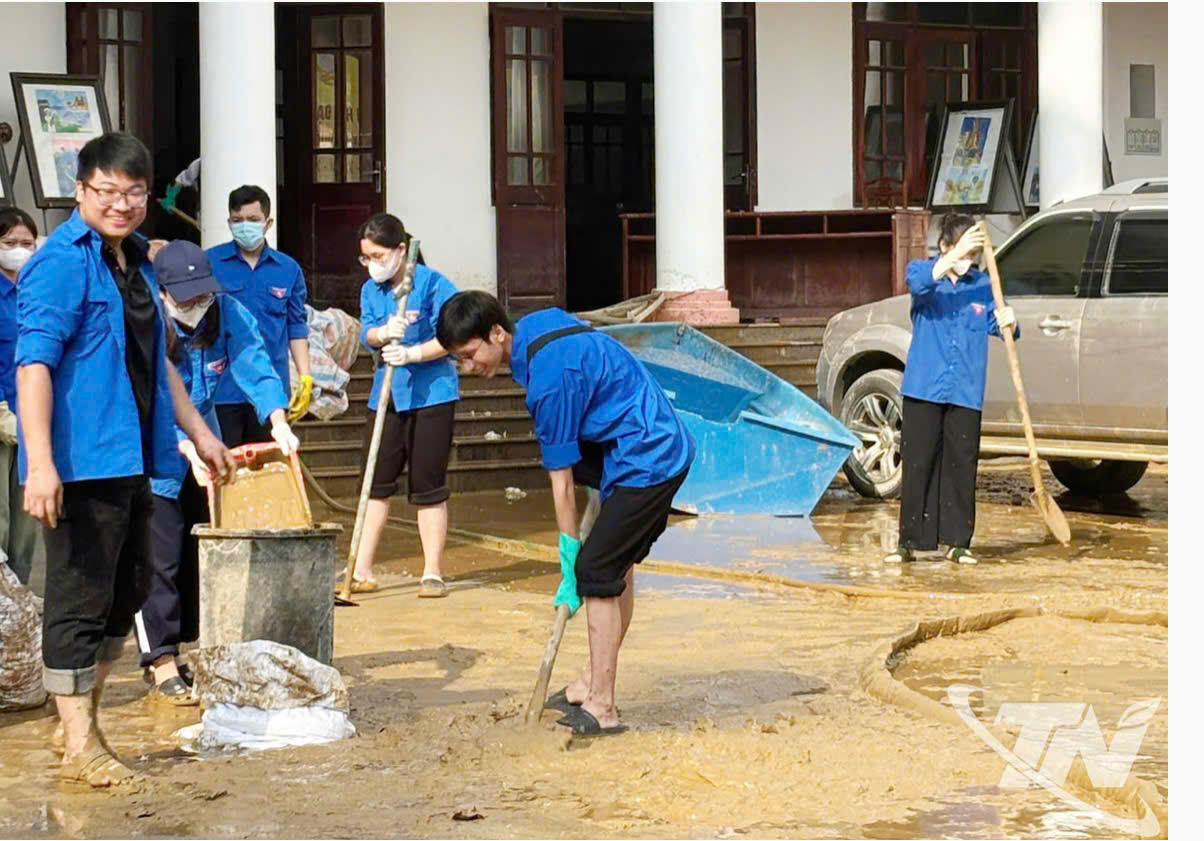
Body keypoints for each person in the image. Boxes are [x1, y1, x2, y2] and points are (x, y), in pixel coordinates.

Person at [16, 132, 234, 786]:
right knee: (79, 600)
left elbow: (161, 363)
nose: (120, 203)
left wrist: (199, 431)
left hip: (138, 455)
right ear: (81, 191)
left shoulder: (137, 260)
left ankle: (75, 722)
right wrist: (42, 462)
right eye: (106, 191)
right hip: (83, 462)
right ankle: (82, 743)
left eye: (133, 192)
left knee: (128, 591)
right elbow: (34, 366)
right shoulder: (60, 263)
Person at [436, 291, 694, 736]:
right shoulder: (535, 327)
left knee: (596, 570)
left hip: (651, 455)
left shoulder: (548, 385)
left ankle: (603, 707)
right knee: (614, 566)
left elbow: (561, 487)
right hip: (622, 442)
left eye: (469, 354)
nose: (467, 367)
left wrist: (568, 558)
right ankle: (590, 683)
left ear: (497, 333)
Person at [135, 240, 298, 704]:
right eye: (184, 299)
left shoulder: (225, 313)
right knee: (158, 556)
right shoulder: (144, 321)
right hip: (154, 447)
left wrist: (278, 421)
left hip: (204, 439)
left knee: (194, 551)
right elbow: (146, 400)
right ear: (162, 292)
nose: (195, 307)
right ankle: (160, 659)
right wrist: (183, 447)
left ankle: (182, 646)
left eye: (201, 296)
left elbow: (254, 362)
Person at [886, 215, 1018, 566]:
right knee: (919, 463)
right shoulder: (924, 273)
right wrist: (953, 254)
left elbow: (996, 323)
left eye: (972, 253)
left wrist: (1008, 322)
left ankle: (958, 542)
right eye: (962, 251)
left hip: (965, 390)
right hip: (924, 388)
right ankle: (909, 542)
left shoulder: (983, 285)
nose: (967, 259)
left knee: (961, 465)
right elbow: (919, 284)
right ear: (945, 246)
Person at [349, 213, 458, 598]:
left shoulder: (431, 285)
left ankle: (432, 572)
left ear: (400, 251)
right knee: (375, 483)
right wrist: (380, 334)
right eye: (365, 258)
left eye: (378, 255)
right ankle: (360, 569)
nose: (372, 264)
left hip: (432, 394)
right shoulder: (371, 291)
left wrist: (413, 353)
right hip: (387, 394)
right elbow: (365, 333)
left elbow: (455, 335)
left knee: (427, 485)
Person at [207, 184, 312, 446]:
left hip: (271, 392)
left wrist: (305, 375)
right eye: (237, 220)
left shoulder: (288, 269)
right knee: (226, 474)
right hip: (221, 390)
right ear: (228, 222)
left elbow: (296, 326)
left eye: (253, 220)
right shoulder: (209, 263)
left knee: (268, 473)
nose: (245, 226)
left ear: (268, 222)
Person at [0, 208, 45, 591]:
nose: (19, 250)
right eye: (9, 243)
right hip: (2, 422)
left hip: (31, 421)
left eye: (27, 244)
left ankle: (18, 613)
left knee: (26, 529)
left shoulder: (37, 289)